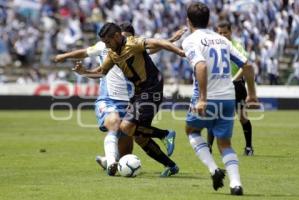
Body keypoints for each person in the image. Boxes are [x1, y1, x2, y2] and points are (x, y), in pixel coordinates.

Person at [57, 23, 185, 176]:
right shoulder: (112, 53)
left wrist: (179, 51)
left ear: (117, 36)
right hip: (138, 93)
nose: (106, 45)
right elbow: (101, 72)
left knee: (125, 127)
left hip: (151, 89)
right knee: (138, 136)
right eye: (104, 43)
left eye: (108, 42)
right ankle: (171, 166)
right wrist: (84, 72)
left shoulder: (133, 43)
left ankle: (164, 134)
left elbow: (158, 43)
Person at [182, 2, 258, 195]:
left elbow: (201, 66)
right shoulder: (222, 40)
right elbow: (247, 66)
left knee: (191, 131)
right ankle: (235, 184)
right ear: (209, 21)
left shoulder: (191, 40)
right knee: (225, 144)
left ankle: (214, 169)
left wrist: (202, 99)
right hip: (228, 98)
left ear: (188, 21)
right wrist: (252, 94)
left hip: (208, 97)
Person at [206, 21, 254, 156]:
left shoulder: (236, 46)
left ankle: (249, 147)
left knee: (242, 117)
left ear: (230, 32)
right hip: (219, 84)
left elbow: (244, 65)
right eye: (219, 33)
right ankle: (208, 147)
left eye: (225, 32)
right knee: (214, 116)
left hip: (236, 85)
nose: (222, 35)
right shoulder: (214, 46)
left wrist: (234, 80)